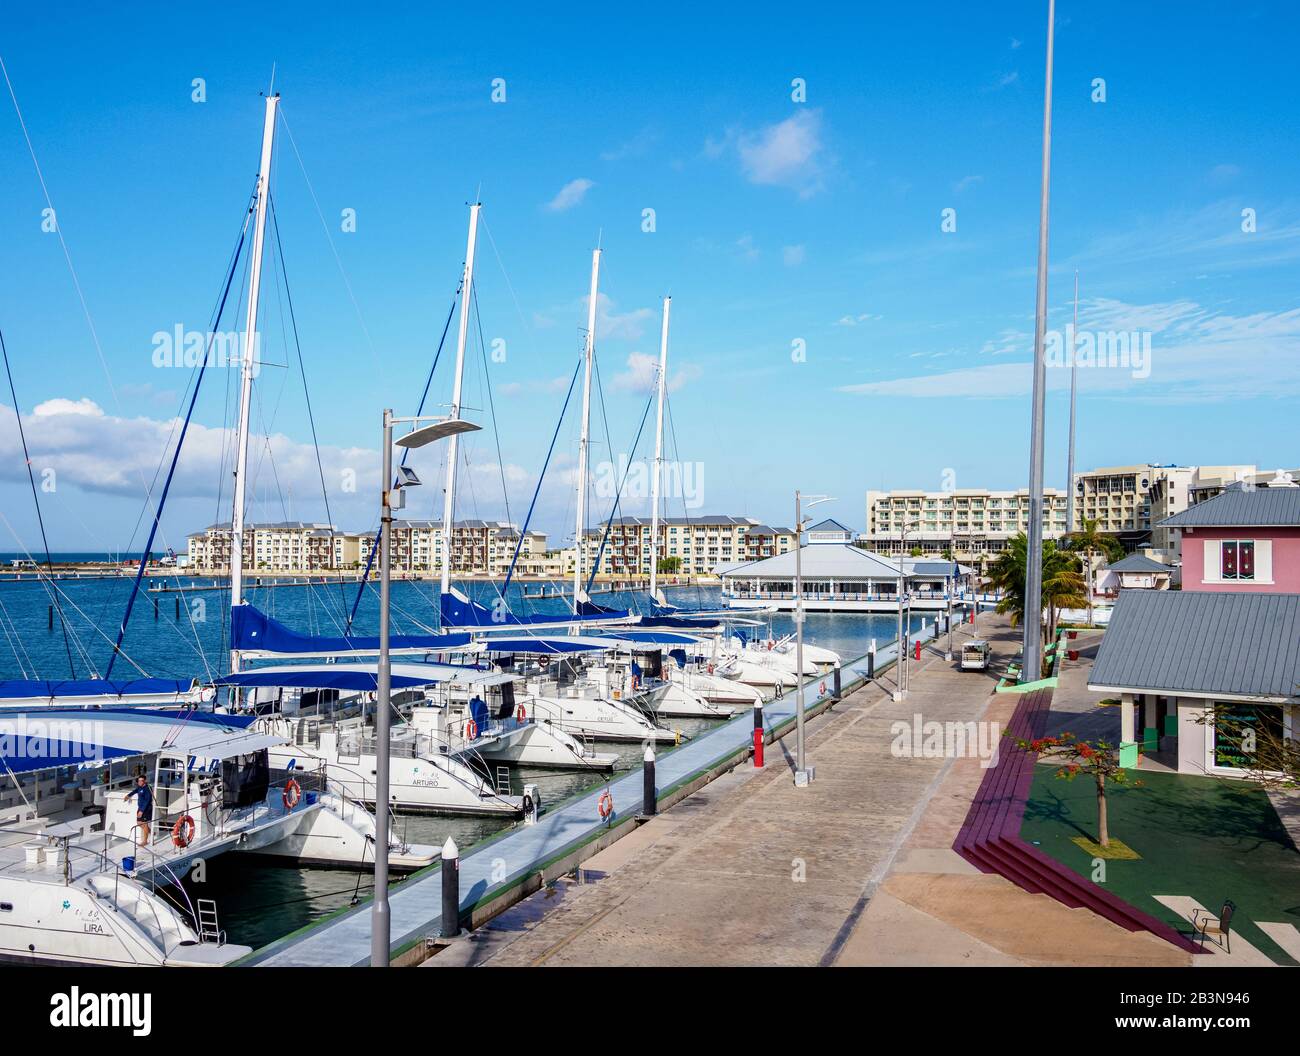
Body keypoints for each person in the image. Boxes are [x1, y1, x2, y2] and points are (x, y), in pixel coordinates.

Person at [124, 774, 153, 846]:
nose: (139, 782)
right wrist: (128, 795)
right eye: (138, 781)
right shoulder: (139, 787)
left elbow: (147, 800)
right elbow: (135, 791)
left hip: (146, 809)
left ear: (145, 781)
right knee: (139, 823)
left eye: (141, 781)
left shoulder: (147, 789)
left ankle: (145, 841)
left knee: (144, 824)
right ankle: (150, 832)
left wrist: (142, 811)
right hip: (140, 808)